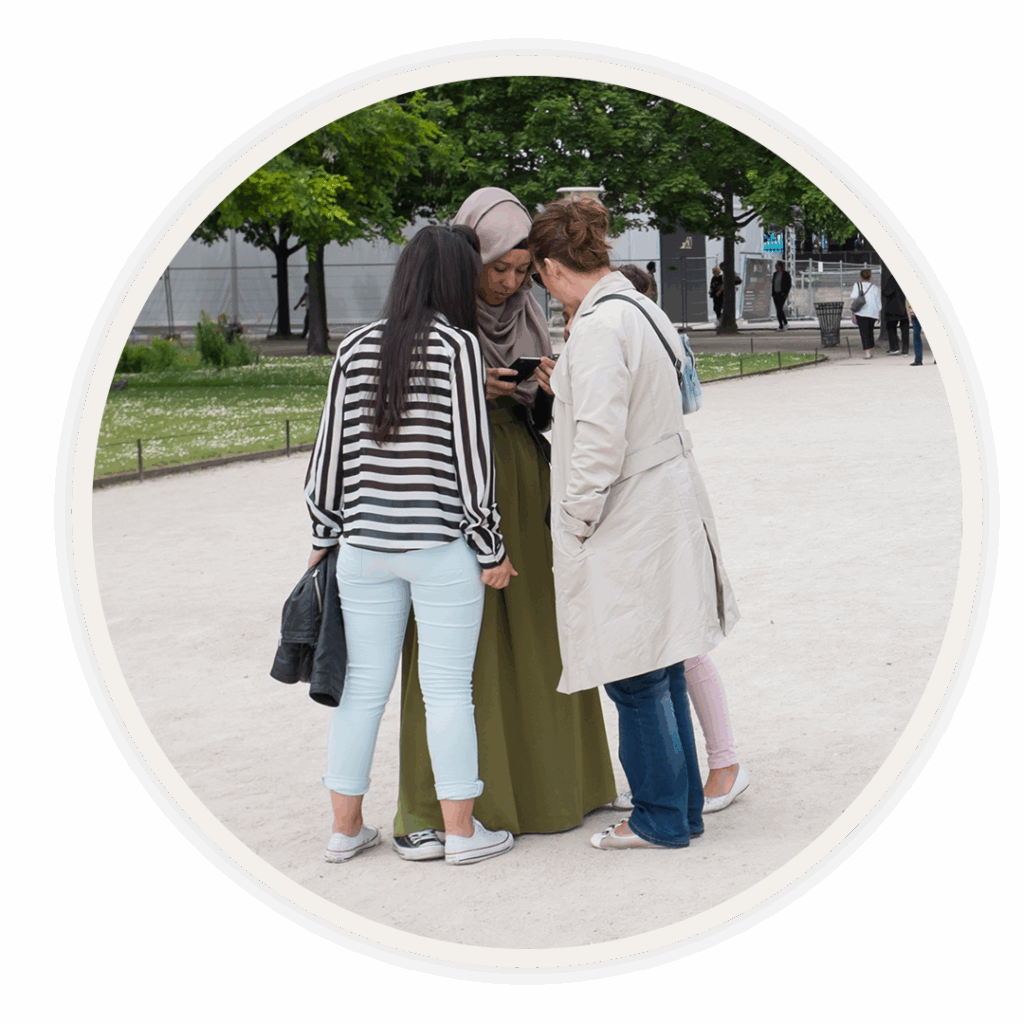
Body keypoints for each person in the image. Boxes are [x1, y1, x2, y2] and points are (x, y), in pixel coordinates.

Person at [391, 187, 618, 860]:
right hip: (451, 486)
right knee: (461, 646)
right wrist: (466, 386)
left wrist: (543, 392)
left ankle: (559, 787)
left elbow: (543, 422)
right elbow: (398, 414)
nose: (510, 283)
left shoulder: (529, 316)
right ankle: (461, 805)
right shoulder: (428, 320)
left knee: (541, 627)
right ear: (470, 259)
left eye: (523, 270)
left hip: (520, 476)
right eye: (498, 268)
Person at [528, 198, 740, 850]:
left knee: (634, 673)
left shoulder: (598, 326)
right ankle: (681, 810)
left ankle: (658, 816)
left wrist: (575, 518)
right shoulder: (642, 308)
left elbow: (598, 440)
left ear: (550, 267)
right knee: (662, 661)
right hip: (661, 498)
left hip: (626, 510)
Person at [303, 224, 517, 866]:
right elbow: (472, 461)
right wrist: (491, 547)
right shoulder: (458, 348)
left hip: (364, 547)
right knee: (447, 689)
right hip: (440, 546)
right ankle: (461, 834)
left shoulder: (354, 347)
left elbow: (327, 455)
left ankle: (344, 830)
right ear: (454, 281)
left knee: (362, 689)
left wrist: (322, 534)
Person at [604, 265, 750, 814]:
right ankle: (687, 771)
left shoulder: (642, 337)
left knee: (684, 646)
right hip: (661, 496)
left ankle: (726, 763)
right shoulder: (655, 334)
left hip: (657, 501)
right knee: (675, 645)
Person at [851, 268, 881, 358]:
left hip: (861, 312)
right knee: (870, 331)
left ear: (861, 276)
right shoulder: (874, 287)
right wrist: (879, 314)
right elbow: (878, 301)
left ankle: (867, 352)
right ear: (870, 277)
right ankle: (870, 347)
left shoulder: (857, 285)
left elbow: (853, 296)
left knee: (863, 332)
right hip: (873, 312)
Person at [883, 274, 910, 355]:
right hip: (905, 307)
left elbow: (887, 292)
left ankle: (895, 347)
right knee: (905, 330)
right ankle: (905, 349)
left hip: (893, 308)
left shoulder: (892, 279)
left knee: (891, 327)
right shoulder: (906, 279)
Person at [772, 261, 791, 331]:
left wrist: (785, 293)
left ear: (780, 266)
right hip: (775, 294)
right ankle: (783, 323)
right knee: (778, 309)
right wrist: (773, 293)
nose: (776, 267)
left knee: (779, 308)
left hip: (782, 294)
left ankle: (782, 325)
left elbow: (788, 284)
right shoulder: (775, 274)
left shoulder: (786, 274)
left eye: (777, 265)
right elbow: (773, 284)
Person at [294, 274, 309, 340]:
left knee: (307, 321)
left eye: (305, 278)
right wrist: (305, 304)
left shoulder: (308, 286)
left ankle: (303, 335)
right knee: (309, 321)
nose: (304, 280)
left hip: (310, 308)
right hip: (310, 306)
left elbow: (304, 296)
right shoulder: (313, 286)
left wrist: (297, 305)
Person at [908, 301, 923, 365]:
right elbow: (907, 304)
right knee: (916, 335)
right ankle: (918, 359)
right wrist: (909, 315)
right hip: (914, 315)